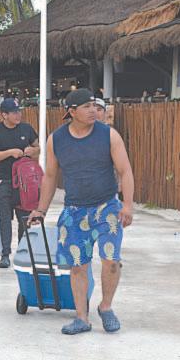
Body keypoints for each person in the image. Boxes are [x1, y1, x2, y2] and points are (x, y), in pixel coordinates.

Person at [28, 88, 134, 335]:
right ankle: (81, 318)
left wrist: (127, 205)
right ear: (72, 111)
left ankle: (106, 307)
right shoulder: (56, 139)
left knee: (111, 261)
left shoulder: (108, 135)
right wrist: (41, 210)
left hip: (107, 207)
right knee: (77, 266)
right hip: (74, 211)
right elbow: (50, 176)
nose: (93, 111)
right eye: (87, 107)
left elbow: (125, 170)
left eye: (95, 106)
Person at [0, 98, 39, 268]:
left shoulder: (27, 129)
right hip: (4, 182)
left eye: (19, 111)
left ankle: (24, 253)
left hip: (24, 183)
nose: (18, 115)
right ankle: (5, 255)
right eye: (14, 112)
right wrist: (9, 153)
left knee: (25, 218)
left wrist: (32, 150)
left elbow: (38, 149)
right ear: (4, 115)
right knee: (4, 219)